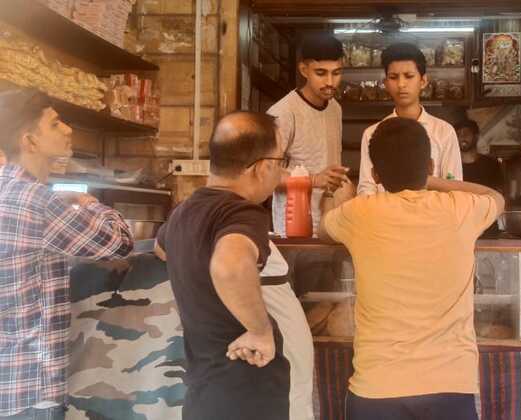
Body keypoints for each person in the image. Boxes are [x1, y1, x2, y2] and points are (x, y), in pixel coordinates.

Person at [320, 117, 504, 420]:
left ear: (376, 174)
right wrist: (435, 183)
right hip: (450, 385)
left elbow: (323, 232)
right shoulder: (460, 209)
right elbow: (495, 197)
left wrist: (331, 197)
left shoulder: (359, 212)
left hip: (376, 388)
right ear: (430, 165)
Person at [155, 112, 310, 420]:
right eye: (282, 162)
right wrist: (259, 330)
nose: (282, 172)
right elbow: (229, 265)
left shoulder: (183, 211)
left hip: (204, 392)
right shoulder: (241, 213)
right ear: (263, 166)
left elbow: (162, 249)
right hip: (248, 394)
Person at [0, 89, 134, 419]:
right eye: (56, 123)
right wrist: (89, 203)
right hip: (30, 381)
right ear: (29, 141)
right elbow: (120, 241)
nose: (68, 130)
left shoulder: (9, 190)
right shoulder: (36, 201)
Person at [268, 34, 348, 237]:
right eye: (321, 73)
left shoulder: (335, 109)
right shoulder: (283, 112)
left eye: (336, 73)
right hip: (293, 230)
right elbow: (264, 173)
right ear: (304, 70)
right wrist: (314, 179)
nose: (330, 82)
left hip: (330, 224)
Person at [357, 43, 463, 195]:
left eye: (409, 76)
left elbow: (454, 187)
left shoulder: (444, 132)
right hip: (385, 217)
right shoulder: (372, 134)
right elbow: (366, 189)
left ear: (423, 81)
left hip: (431, 216)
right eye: (393, 77)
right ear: (386, 83)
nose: (401, 84)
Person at [455, 118, 503, 237]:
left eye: (466, 133)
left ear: (476, 137)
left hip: (487, 225)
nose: (462, 137)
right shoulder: (451, 164)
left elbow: (500, 193)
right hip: (460, 225)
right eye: (458, 134)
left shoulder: (491, 164)